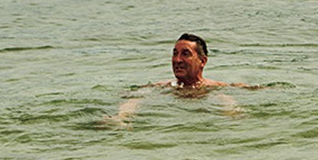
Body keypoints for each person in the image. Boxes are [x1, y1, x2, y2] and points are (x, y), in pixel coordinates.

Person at [101, 33, 260, 128]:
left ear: (202, 61)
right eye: (175, 53)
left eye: (185, 54)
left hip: (207, 110)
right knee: (138, 97)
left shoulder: (216, 88)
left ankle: (237, 119)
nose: (177, 60)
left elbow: (249, 89)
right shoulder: (163, 87)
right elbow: (129, 93)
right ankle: (120, 119)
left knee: (223, 98)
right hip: (169, 113)